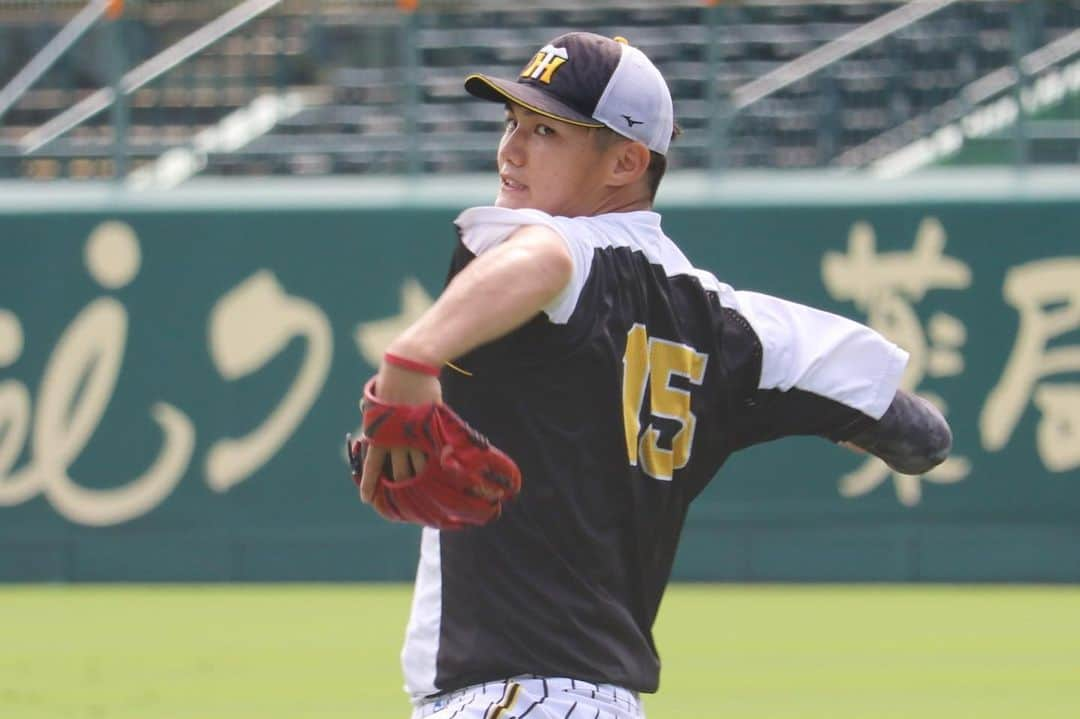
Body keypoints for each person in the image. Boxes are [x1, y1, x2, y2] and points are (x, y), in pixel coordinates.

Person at [356, 32, 951, 719]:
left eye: (546, 130)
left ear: (626, 162)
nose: (511, 149)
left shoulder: (556, 243)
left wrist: (411, 357)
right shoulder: (738, 326)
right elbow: (920, 434)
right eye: (511, 122)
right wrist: (845, 424)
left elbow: (544, 259)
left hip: (512, 696)